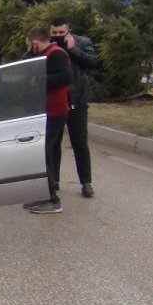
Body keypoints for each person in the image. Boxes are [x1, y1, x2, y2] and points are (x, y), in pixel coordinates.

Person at [22, 26, 73, 214]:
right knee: (46, 154)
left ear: (35, 43)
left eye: (29, 45)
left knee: (42, 154)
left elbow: (66, 77)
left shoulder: (56, 54)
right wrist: (29, 54)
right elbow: (25, 67)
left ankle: (53, 199)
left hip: (55, 112)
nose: (28, 48)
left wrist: (40, 79)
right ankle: (44, 194)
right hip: (45, 112)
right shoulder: (41, 54)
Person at [49, 17, 99, 197]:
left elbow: (93, 62)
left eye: (61, 33)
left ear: (68, 31)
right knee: (54, 143)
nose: (57, 36)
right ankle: (53, 181)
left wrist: (73, 49)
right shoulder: (48, 47)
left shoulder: (82, 42)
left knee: (80, 143)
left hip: (77, 100)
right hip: (56, 102)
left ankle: (86, 182)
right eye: (54, 33)